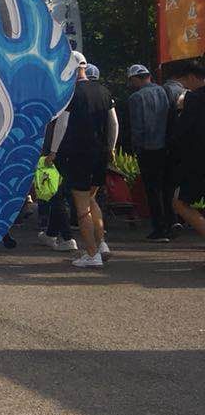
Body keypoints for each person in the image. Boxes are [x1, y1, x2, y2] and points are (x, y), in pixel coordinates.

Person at [45, 52, 117, 269]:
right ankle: (102, 244)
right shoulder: (104, 91)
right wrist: (111, 147)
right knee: (92, 199)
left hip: (78, 154)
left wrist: (53, 151)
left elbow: (62, 124)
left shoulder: (70, 93)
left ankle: (92, 254)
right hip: (100, 153)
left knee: (82, 206)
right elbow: (114, 122)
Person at [125, 63, 174, 241]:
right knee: (166, 187)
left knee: (152, 190)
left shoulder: (136, 98)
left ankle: (159, 229)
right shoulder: (164, 91)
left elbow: (137, 126)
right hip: (166, 147)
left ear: (135, 79)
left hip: (147, 148)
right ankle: (171, 223)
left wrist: (136, 147)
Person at [169, 61, 205, 244]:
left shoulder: (193, 98)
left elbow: (182, 131)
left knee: (180, 203)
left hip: (197, 160)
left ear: (191, 77)